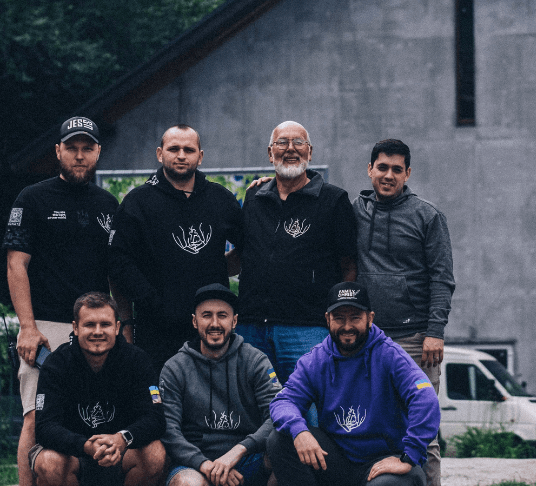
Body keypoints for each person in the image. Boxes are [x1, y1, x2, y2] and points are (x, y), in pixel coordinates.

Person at [5, 116, 121, 486]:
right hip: (47, 327)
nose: (79, 155)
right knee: (35, 418)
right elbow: (15, 263)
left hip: (98, 327)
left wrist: (122, 327)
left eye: (87, 148)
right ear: (58, 151)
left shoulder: (108, 203)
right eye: (72, 148)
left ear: (98, 152)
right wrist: (27, 326)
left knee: (98, 417)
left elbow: (116, 274)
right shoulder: (32, 198)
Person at [352, 139, 454, 486]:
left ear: (407, 173)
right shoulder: (356, 211)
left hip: (415, 340)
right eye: (382, 167)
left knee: (423, 429)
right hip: (369, 339)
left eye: (397, 169)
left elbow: (442, 278)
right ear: (370, 170)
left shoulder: (427, 216)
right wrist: (268, 182)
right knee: (368, 424)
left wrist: (435, 331)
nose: (389, 175)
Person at [266, 282, 438, 486]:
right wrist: (299, 430)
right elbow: (283, 401)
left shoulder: (391, 355)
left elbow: (426, 399)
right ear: (327, 319)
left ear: (370, 318)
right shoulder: (316, 360)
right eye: (339, 318)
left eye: (355, 317)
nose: (347, 326)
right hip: (336, 462)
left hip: (383, 464)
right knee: (280, 439)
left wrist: (410, 456)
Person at [109, 125, 244, 367]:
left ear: (200, 156)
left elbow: (250, 248)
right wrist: (151, 302)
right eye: (174, 149)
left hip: (211, 330)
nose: (181, 155)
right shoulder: (138, 202)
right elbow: (118, 262)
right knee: (161, 402)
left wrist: (218, 269)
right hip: (156, 330)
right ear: (160, 154)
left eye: (188, 149)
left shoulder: (221, 199)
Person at [236, 121, 358, 386]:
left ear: (310, 152)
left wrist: (337, 318)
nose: (290, 149)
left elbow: (349, 266)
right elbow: (243, 254)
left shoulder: (334, 200)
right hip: (251, 328)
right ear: (270, 153)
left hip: (308, 329)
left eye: (298, 142)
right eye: (282, 143)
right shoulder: (254, 197)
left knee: (310, 410)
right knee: (256, 414)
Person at [31, 292, 166, 486]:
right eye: (89, 325)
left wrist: (122, 438)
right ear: (76, 328)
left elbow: (156, 419)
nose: (97, 331)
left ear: (117, 327)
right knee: (49, 463)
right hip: (74, 455)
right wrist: (86, 446)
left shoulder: (137, 360)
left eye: (105, 324)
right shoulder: (56, 364)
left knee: (155, 453)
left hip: (121, 452)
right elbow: (44, 428)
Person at [160, 284, 281, 486]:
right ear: (194, 321)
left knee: (287, 452)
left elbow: (277, 414)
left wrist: (238, 451)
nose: (214, 323)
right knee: (187, 484)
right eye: (206, 315)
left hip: (246, 460)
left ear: (234, 321)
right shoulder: (175, 367)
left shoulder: (255, 361)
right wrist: (206, 465)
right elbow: (168, 429)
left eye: (222, 315)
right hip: (195, 466)